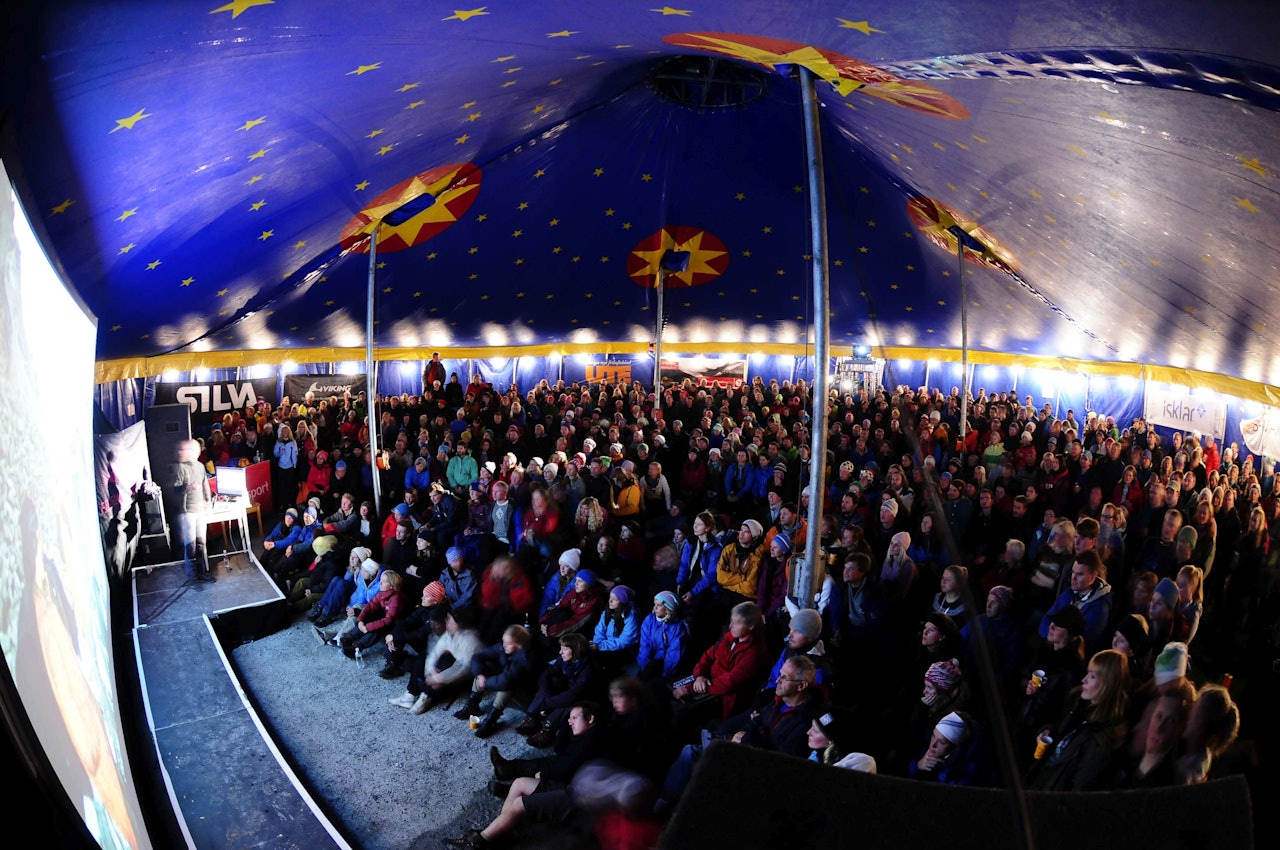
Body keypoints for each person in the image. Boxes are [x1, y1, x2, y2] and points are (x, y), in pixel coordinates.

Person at [445, 702, 606, 849]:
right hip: (572, 786)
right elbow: (560, 750)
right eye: (570, 718)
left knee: (519, 803)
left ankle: (476, 842)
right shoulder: (583, 736)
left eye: (574, 718)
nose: (571, 721)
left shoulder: (594, 739)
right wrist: (565, 722)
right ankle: (502, 832)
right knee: (519, 783)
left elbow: (568, 766)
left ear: (590, 718)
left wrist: (545, 774)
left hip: (581, 798)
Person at [1029, 649, 1130, 791]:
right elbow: (1059, 727)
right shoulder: (1078, 703)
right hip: (1041, 779)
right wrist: (1047, 732)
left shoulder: (1103, 737)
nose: (1084, 680)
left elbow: (1079, 787)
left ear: (1108, 684)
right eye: (1088, 673)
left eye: (1093, 676)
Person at [389, 606, 483, 714]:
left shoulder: (470, 641)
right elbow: (434, 652)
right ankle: (410, 696)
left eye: (450, 621)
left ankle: (425, 697)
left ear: (460, 625)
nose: (447, 623)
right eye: (447, 619)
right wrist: (431, 670)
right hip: (455, 663)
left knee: (439, 675)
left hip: (470, 676)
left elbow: (463, 669)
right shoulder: (449, 634)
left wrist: (438, 678)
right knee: (422, 662)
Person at [455, 624, 538, 739]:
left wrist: (484, 682)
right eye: (504, 641)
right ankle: (472, 705)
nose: (504, 646)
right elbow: (477, 657)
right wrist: (480, 675)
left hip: (526, 694)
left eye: (508, 643)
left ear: (519, 644)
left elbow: (505, 681)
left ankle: (491, 720)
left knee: (508, 685)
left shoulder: (525, 658)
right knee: (483, 670)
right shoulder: (505, 647)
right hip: (508, 678)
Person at [172, 439, 214, 582]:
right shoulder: (181, 468)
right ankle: (192, 577)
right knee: (190, 546)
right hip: (187, 512)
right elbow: (175, 490)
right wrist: (188, 487)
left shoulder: (201, 466)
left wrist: (208, 501)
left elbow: (205, 484)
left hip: (200, 510)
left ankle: (202, 573)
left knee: (201, 543)